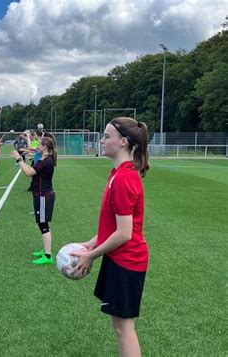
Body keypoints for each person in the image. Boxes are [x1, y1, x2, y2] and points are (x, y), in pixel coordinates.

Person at [71, 117, 150, 357]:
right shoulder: (117, 173)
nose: (101, 140)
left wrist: (90, 256)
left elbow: (125, 233)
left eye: (107, 136)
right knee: (120, 326)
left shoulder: (124, 178)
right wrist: (92, 242)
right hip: (119, 258)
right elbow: (114, 225)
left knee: (124, 328)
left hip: (128, 260)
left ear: (123, 142)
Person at [11, 136, 57, 265]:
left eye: (39, 145)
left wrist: (19, 159)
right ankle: (45, 250)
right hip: (41, 194)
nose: (37, 146)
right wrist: (27, 152)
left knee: (43, 225)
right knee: (42, 224)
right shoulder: (45, 158)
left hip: (44, 195)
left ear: (45, 147)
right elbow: (33, 153)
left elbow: (29, 172)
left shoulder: (45, 161)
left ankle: (48, 256)